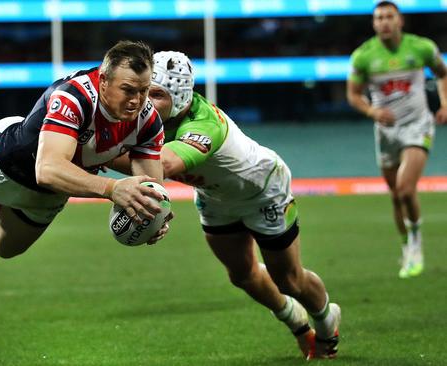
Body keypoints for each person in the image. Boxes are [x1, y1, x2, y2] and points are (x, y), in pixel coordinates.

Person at [110, 51, 341, 359]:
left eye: (156, 94)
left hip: (263, 189)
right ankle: (298, 323)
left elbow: (160, 164)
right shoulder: (145, 118)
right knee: (241, 275)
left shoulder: (204, 124)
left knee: (289, 279)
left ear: (180, 97)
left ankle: (327, 323)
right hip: (214, 196)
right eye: (142, 91)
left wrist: (96, 153)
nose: (145, 102)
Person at [0, 40, 170, 258]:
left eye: (144, 90)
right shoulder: (74, 97)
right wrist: (112, 188)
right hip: (4, 162)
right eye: (127, 90)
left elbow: (152, 190)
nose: (136, 100)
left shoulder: (148, 122)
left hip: (50, 193)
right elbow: (47, 169)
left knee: (5, 248)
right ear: (104, 81)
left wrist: (154, 216)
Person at [346, 1, 447, 279]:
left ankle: (416, 242)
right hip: (386, 131)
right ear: (374, 23)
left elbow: (442, 73)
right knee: (395, 196)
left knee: (405, 189)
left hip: (418, 125)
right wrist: (372, 110)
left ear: (400, 20)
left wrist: (445, 103)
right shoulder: (363, 56)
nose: (384, 22)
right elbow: (353, 95)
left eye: (389, 16)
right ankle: (405, 245)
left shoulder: (422, 48)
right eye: (379, 18)